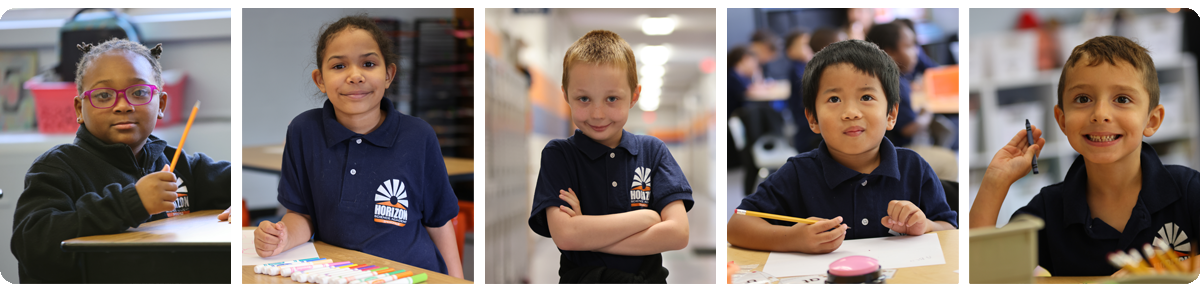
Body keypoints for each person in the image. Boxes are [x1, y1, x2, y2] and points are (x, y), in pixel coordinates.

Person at [251, 15, 463, 278]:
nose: (355, 76)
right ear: (320, 80)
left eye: (369, 63)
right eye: (339, 66)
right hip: (340, 275)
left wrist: (458, 282)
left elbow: (439, 223)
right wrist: (282, 237)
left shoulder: (419, 136)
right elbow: (302, 215)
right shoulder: (303, 131)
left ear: (389, 75)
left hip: (412, 277)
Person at [970, 35, 1200, 276]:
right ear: (1062, 120)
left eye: (1122, 99)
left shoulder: (1188, 190)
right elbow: (977, 270)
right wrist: (994, 183)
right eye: (1083, 99)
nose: (1100, 114)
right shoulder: (1049, 208)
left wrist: (1150, 275)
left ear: (1151, 120)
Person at [11, 38, 232, 283]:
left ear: (161, 104)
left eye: (138, 93)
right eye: (104, 95)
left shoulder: (178, 163)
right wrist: (131, 203)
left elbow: (232, 181)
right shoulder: (58, 168)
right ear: (78, 109)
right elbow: (31, 243)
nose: (123, 105)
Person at [727, 40, 956, 254]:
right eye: (834, 99)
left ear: (891, 114)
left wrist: (925, 225)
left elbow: (949, 229)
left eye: (866, 97)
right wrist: (792, 238)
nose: (851, 113)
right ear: (813, 119)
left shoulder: (913, 167)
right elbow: (737, 224)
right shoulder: (798, 173)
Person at [528, 30, 693, 283]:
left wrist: (588, 235)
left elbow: (678, 234)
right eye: (583, 98)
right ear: (565, 95)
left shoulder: (653, 151)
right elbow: (567, 236)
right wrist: (646, 217)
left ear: (634, 96)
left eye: (612, 98)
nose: (597, 113)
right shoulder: (559, 155)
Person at [866, 21, 933, 147]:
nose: (916, 53)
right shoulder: (897, 83)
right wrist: (927, 113)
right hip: (899, 150)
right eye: (909, 46)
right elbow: (908, 129)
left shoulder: (873, 78)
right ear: (889, 52)